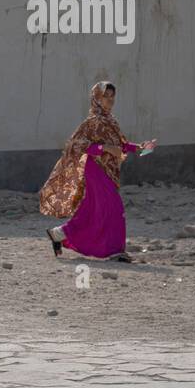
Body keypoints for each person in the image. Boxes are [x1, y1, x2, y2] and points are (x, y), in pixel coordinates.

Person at [40, 81, 155, 262]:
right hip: (95, 169)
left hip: (109, 171)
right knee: (114, 207)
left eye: (112, 96)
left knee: (90, 210)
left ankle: (58, 234)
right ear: (96, 98)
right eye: (105, 96)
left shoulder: (111, 121)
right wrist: (105, 148)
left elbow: (122, 145)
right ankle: (115, 251)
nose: (110, 100)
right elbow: (77, 145)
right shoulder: (92, 122)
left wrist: (142, 147)